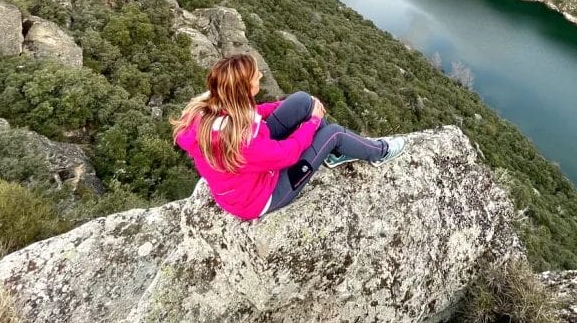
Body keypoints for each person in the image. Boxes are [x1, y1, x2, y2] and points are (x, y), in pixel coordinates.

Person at [171, 53, 406, 220]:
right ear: (243, 88)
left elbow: (251, 113)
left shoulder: (208, 110)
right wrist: (313, 121)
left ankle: (334, 152)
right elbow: (288, 154)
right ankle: (379, 152)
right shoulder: (240, 142)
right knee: (331, 134)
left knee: (303, 100)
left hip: (251, 174)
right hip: (262, 196)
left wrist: (286, 107)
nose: (260, 76)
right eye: (255, 76)